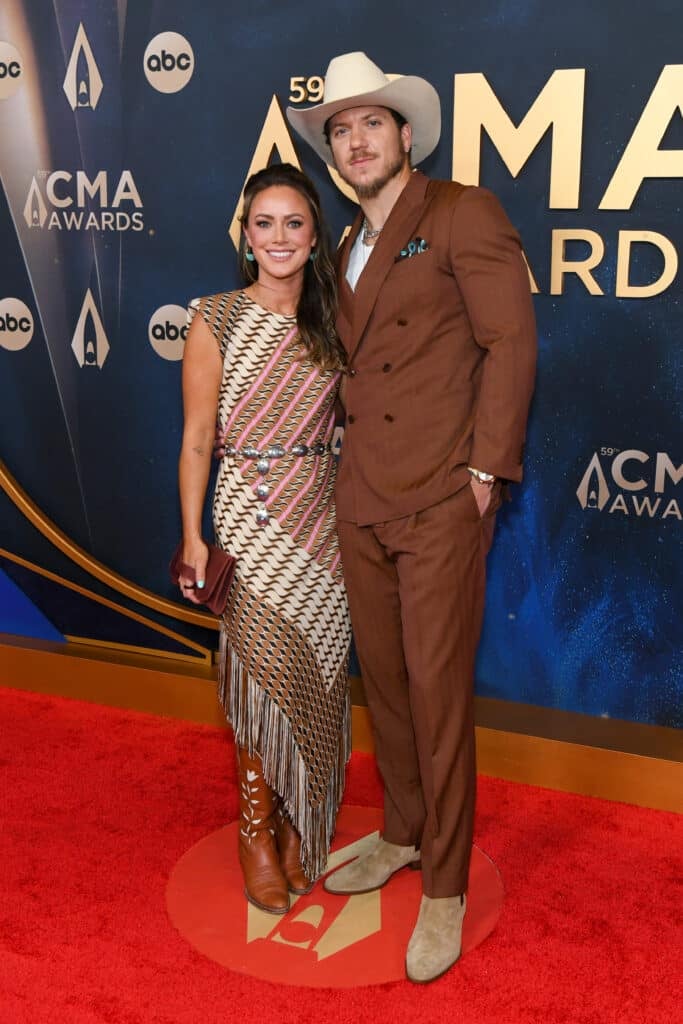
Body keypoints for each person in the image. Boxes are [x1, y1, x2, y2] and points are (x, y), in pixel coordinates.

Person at [288, 52, 537, 980]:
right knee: (387, 685)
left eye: (370, 123)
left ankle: (444, 885)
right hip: (361, 496)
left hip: (439, 495)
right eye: (339, 129)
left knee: (436, 694)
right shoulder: (344, 244)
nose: (355, 141)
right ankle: (400, 831)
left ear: (404, 134)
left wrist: (485, 471)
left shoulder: (461, 212)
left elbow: (510, 341)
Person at [177, 163, 351, 915]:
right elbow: (197, 438)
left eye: (293, 224)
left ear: (314, 238)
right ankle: (255, 830)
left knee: (316, 675)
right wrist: (193, 536)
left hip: (323, 520)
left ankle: (297, 818)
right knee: (258, 677)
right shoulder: (214, 318)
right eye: (264, 224)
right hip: (248, 519)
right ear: (246, 237)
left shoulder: (336, 321)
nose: (278, 238)